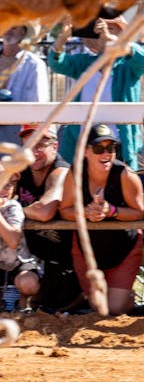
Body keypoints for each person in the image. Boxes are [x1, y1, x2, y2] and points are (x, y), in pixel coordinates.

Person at [59, 124, 144, 315]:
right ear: (86, 151)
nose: (106, 154)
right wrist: (85, 212)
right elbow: (64, 210)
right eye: (99, 148)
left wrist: (111, 211)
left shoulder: (126, 175)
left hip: (123, 248)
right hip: (87, 249)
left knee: (114, 309)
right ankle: (89, 296)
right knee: (99, 308)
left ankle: (127, 298)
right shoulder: (75, 174)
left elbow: (139, 212)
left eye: (111, 148)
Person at [48, 16, 144, 170]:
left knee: (119, 189)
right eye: (100, 29)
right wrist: (62, 38)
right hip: (84, 145)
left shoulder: (128, 66)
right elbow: (57, 63)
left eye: (111, 29)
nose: (104, 33)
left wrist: (114, 41)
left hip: (118, 145)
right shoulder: (85, 62)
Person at [16, 123, 84, 313]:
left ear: (55, 146)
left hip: (64, 256)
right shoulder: (20, 170)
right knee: (26, 283)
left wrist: (14, 208)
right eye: (28, 145)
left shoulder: (61, 171)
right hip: (31, 253)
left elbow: (45, 211)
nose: (33, 151)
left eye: (40, 145)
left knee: (52, 300)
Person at [0, 22, 49, 147]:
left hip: (18, 139)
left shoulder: (34, 65)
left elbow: (39, 106)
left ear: (23, 31)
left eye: (14, 26)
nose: (9, 29)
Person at [0, 166, 40, 312]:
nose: (3, 190)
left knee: (28, 283)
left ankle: (25, 302)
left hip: (18, 264)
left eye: (7, 185)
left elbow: (13, 240)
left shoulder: (13, 206)